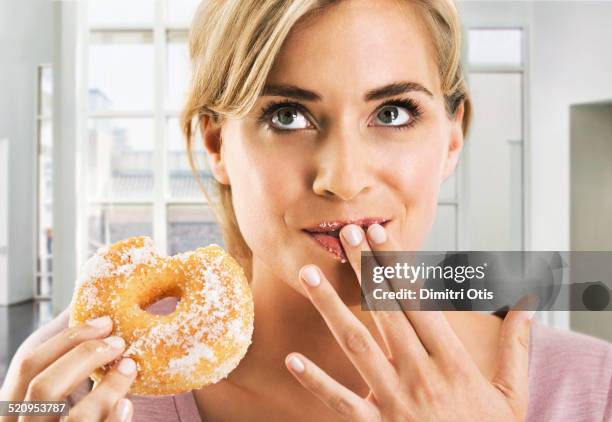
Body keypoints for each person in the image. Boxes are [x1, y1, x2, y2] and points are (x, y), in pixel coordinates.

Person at [2, 1, 611, 421]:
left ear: (452, 139)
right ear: (215, 143)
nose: (342, 179)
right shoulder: (75, 394)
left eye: (393, 112)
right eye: (286, 116)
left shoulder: (594, 388)